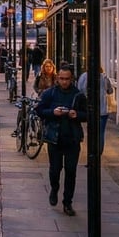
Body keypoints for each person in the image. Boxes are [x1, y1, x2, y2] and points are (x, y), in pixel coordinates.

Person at [35, 64, 88, 216]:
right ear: (57, 78)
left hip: (72, 139)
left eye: (67, 79)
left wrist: (76, 115)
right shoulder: (50, 93)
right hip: (55, 138)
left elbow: (87, 114)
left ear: (72, 79)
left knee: (71, 172)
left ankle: (67, 202)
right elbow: (39, 110)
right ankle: (54, 188)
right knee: (55, 169)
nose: (64, 82)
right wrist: (53, 112)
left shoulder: (78, 95)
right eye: (62, 79)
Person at [78, 66, 116, 155]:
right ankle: (98, 153)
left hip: (89, 109)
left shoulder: (83, 77)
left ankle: (92, 152)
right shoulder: (104, 77)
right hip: (102, 109)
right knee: (100, 133)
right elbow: (110, 91)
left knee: (91, 131)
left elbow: (80, 90)